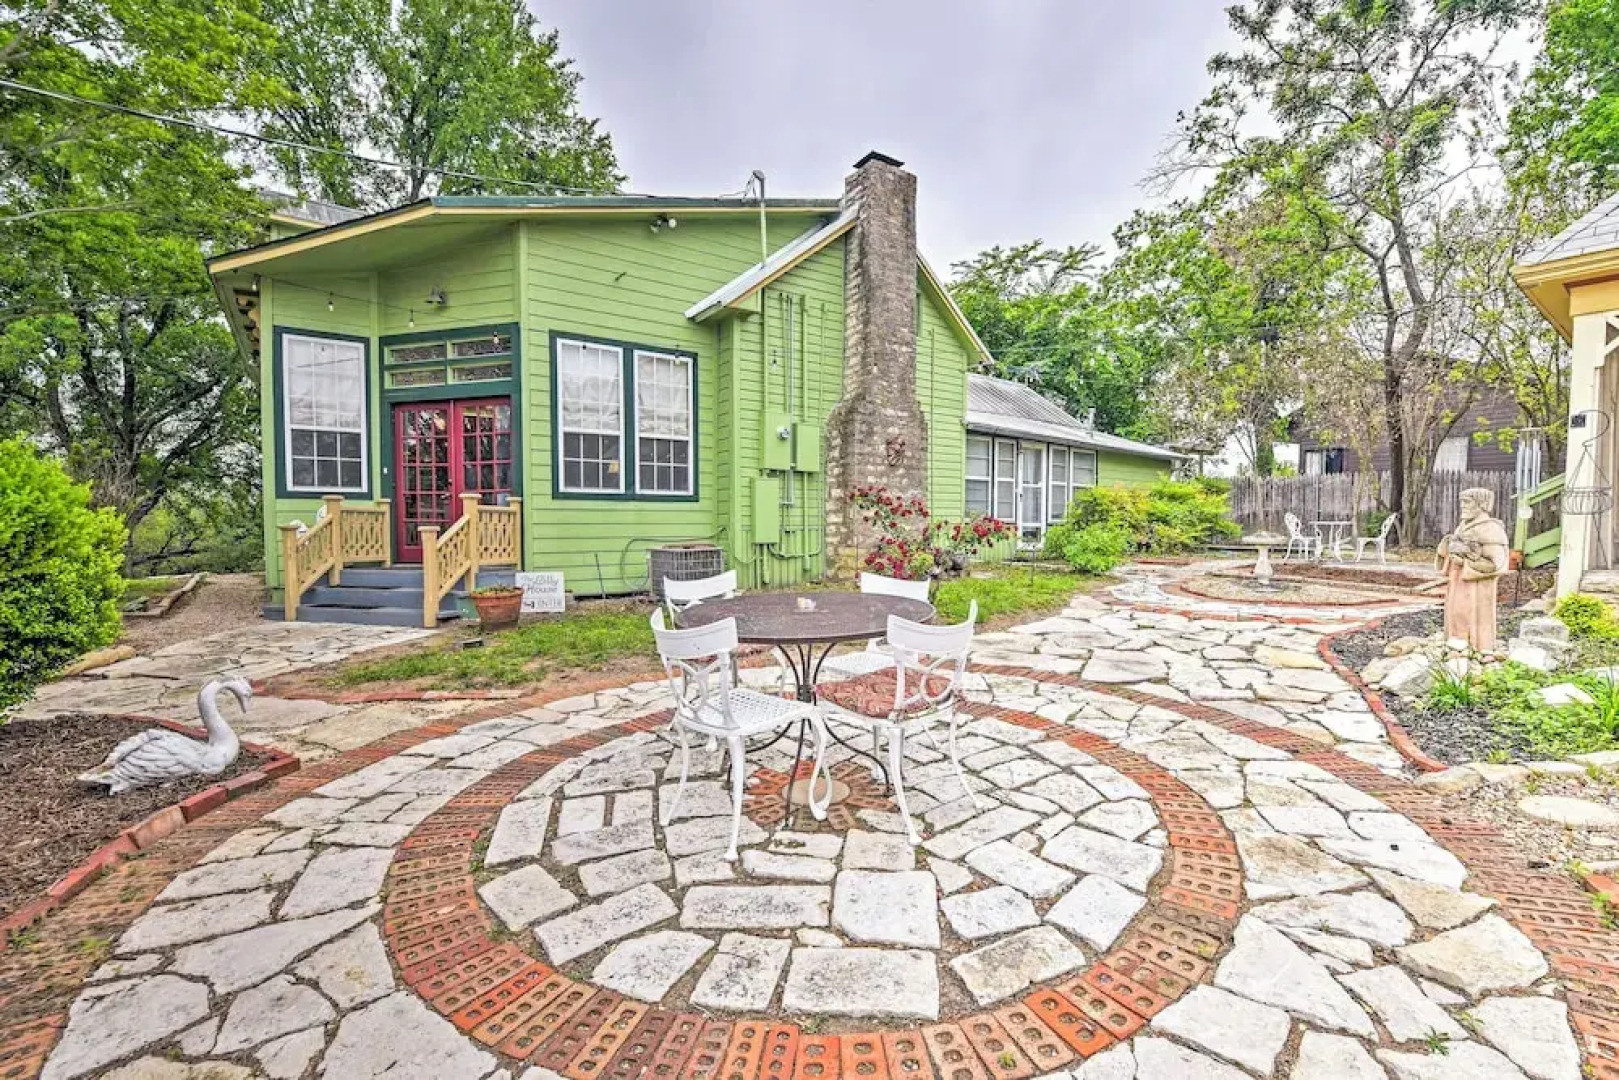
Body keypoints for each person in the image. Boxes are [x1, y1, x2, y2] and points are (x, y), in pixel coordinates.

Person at [1433, 487, 1510, 651]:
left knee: (1473, 618)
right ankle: (1455, 644)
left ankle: (1478, 649)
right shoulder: (1462, 527)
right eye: (1462, 502)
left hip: (1478, 590)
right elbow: (1451, 555)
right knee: (1456, 614)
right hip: (1457, 584)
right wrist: (1445, 550)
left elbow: (1497, 564)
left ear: (1481, 504)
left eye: (1467, 502)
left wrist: (1466, 564)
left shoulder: (1491, 529)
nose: (1463, 506)